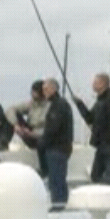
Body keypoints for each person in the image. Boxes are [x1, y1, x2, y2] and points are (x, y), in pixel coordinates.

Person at [72, 72, 110, 185]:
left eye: (96, 82)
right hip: (101, 145)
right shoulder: (99, 102)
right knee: (95, 175)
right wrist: (79, 104)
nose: (93, 85)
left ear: (103, 84)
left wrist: (106, 138)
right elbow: (90, 119)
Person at [38, 78, 73, 207]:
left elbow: (53, 129)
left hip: (57, 149)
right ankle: (60, 204)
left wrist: (42, 143)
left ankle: (59, 205)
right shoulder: (58, 105)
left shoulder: (59, 106)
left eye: (46, 90)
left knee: (56, 180)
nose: (44, 93)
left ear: (54, 89)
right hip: (59, 148)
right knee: (58, 180)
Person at [5, 80, 51, 176]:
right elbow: (10, 109)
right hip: (29, 131)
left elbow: (50, 130)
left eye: (34, 92)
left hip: (42, 137)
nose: (32, 95)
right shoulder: (31, 104)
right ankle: (3, 142)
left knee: (42, 142)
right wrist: (16, 125)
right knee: (12, 116)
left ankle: (44, 169)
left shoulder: (50, 106)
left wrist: (32, 134)